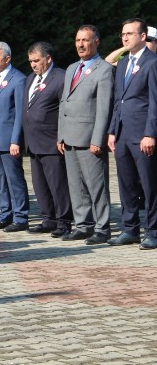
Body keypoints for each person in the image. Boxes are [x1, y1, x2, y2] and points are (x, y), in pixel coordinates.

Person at [57, 24, 114, 245]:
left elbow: (104, 108)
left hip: (90, 138)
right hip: (69, 137)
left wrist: (97, 139)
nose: (80, 44)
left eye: (85, 40)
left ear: (96, 42)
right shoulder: (72, 68)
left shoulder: (104, 69)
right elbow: (64, 102)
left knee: (96, 186)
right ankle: (83, 225)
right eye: (78, 40)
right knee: (76, 186)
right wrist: (60, 135)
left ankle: (102, 227)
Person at [107, 18, 157, 249]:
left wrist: (151, 133)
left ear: (143, 36)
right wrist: (112, 131)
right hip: (123, 134)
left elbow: (155, 102)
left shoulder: (152, 62)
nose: (125, 38)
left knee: (149, 184)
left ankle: (153, 231)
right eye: (123, 34)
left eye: (130, 33)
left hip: (143, 134)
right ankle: (130, 229)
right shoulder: (124, 63)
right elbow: (119, 100)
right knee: (126, 184)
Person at [23, 42, 73, 238]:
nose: (33, 65)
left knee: (57, 184)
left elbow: (65, 111)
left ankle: (63, 221)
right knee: (40, 184)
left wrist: (62, 136)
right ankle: (48, 219)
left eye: (36, 60)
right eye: (30, 62)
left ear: (48, 58)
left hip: (51, 141)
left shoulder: (60, 78)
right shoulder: (30, 79)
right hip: (33, 141)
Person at [0, 42, 30, 232]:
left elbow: (20, 113)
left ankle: (20, 216)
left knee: (14, 179)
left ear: (7, 58)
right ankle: (5, 214)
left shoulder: (18, 80)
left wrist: (15, 140)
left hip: (9, 140)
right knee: (1, 180)